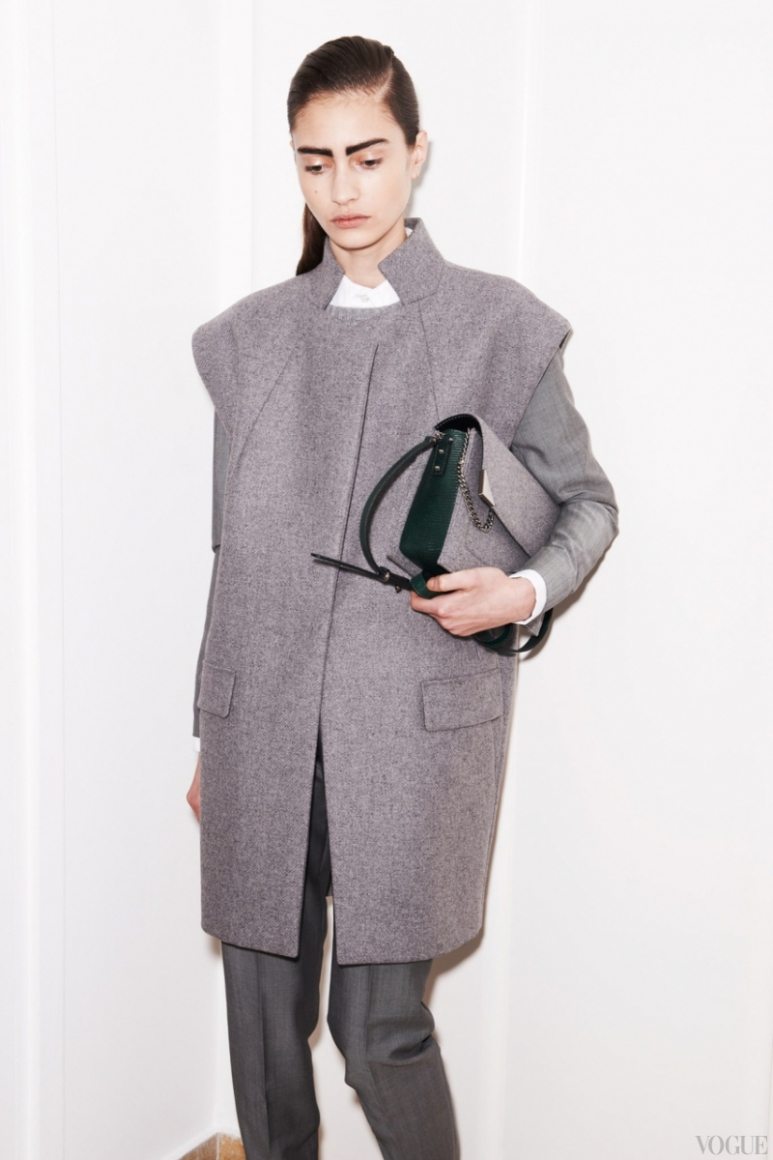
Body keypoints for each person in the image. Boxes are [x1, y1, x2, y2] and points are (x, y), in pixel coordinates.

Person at [186, 34, 618, 1160]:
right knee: (262, 1037)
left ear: (416, 153)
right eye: (314, 160)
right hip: (259, 729)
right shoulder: (248, 342)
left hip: (415, 739)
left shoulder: (498, 326)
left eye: (367, 156)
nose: (342, 188)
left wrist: (519, 588)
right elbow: (232, 554)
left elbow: (586, 505)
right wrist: (208, 735)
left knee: (377, 1033)